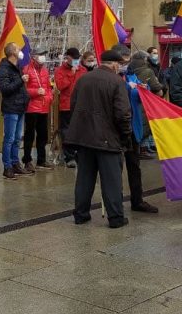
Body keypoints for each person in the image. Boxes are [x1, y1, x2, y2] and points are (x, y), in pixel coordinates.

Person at [66, 49, 133, 228]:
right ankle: (116, 218)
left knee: (84, 179)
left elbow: (73, 106)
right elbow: (123, 114)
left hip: (85, 138)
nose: (120, 68)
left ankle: (80, 214)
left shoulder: (83, 79)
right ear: (114, 64)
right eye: (119, 65)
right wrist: (125, 136)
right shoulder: (117, 82)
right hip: (108, 139)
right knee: (111, 180)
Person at [114, 47, 159, 214]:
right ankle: (115, 203)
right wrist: (126, 86)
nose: (124, 65)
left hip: (133, 128)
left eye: (127, 62)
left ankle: (137, 200)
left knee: (135, 166)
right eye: (121, 62)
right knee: (115, 168)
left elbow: (139, 98)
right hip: (116, 130)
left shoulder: (132, 75)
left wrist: (143, 89)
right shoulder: (111, 78)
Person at [0, 43, 32, 179]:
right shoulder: (4, 68)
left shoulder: (17, 67)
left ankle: (15, 163)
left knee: (17, 138)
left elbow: (19, 87)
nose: (20, 51)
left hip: (20, 106)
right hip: (11, 107)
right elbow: (5, 89)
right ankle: (7, 166)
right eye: (17, 49)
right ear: (12, 53)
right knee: (9, 138)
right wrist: (20, 81)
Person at [22, 47, 53, 172]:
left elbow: (48, 87)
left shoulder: (45, 70)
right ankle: (27, 160)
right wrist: (35, 92)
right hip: (31, 107)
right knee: (29, 135)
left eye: (43, 54)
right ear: (34, 56)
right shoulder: (27, 69)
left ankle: (41, 159)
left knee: (43, 135)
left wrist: (49, 97)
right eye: (40, 54)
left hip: (44, 107)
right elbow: (23, 90)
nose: (43, 57)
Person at [54, 47, 86, 169]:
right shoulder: (60, 70)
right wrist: (71, 74)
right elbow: (61, 86)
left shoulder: (82, 70)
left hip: (80, 104)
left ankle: (80, 154)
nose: (76, 61)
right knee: (67, 131)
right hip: (66, 105)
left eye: (78, 59)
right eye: (74, 59)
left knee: (81, 130)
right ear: (68, 58)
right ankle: (69, 157)